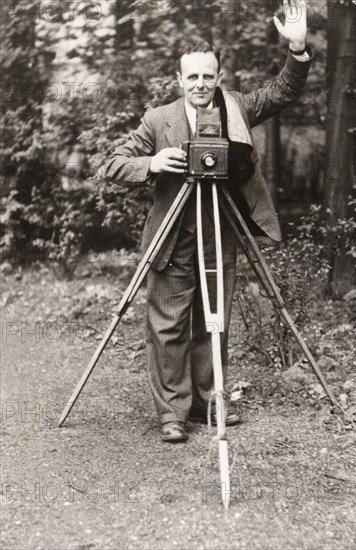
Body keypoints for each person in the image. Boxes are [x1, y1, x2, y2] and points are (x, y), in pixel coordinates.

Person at [100, 0, 312, 442]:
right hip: (173, 235)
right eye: (191, 77)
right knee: (167, 325)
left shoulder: (236, 107)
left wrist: (297, 49)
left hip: (221, 231)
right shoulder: (159, 120)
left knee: (213, 320)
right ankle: (172, 413)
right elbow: (111, 164)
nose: (200, 84)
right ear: (179, 81)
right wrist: (153, 162)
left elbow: (282, 92)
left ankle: (208, 400)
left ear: (219, 77)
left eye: (207, 76)